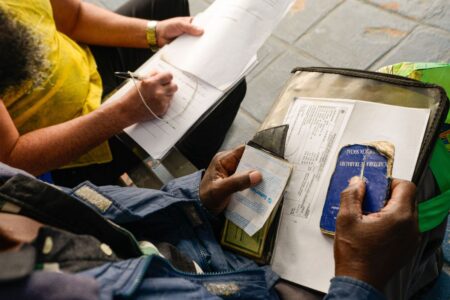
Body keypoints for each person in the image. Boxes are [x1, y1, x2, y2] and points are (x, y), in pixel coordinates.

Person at [0, 145, 421, 299]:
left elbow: (99, 208)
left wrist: (193, 198)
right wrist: (360, 277)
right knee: (418, 188)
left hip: (201, 249)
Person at [0, 0, 246, 187]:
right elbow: (13, 159)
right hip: (69, 150)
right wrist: (125, 111)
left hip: (86, 62)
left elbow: (73, 18)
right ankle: (197, 189)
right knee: (227, 90)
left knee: (167, 7)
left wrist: (154, 32)